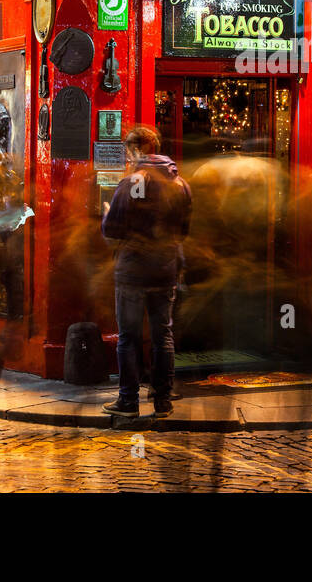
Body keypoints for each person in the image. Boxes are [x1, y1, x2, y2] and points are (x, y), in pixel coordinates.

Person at [101, 125, 192, 419]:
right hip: (165, 270)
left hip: (132, 272)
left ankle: (128, 401)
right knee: (162, 334)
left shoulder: (131, 182)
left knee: (128, 336)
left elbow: (111, 230)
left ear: (135, 151)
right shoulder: (181, 185)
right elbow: (184, 231)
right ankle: (163, 400)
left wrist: (106, 212)